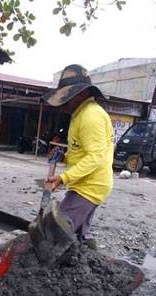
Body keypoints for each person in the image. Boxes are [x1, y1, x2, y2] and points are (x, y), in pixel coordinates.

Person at [42, 64, 114, 250]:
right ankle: (86, 263)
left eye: (66, 98)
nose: (63, 105)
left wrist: (64, 177)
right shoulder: (81, 114)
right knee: (80, 235)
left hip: (89, 187)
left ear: (80, 93)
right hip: (88, 184)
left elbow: (95, 156)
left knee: (55, 231)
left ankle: (44, 269)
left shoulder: (91, 116)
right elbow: (82, 153)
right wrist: (63, 158)